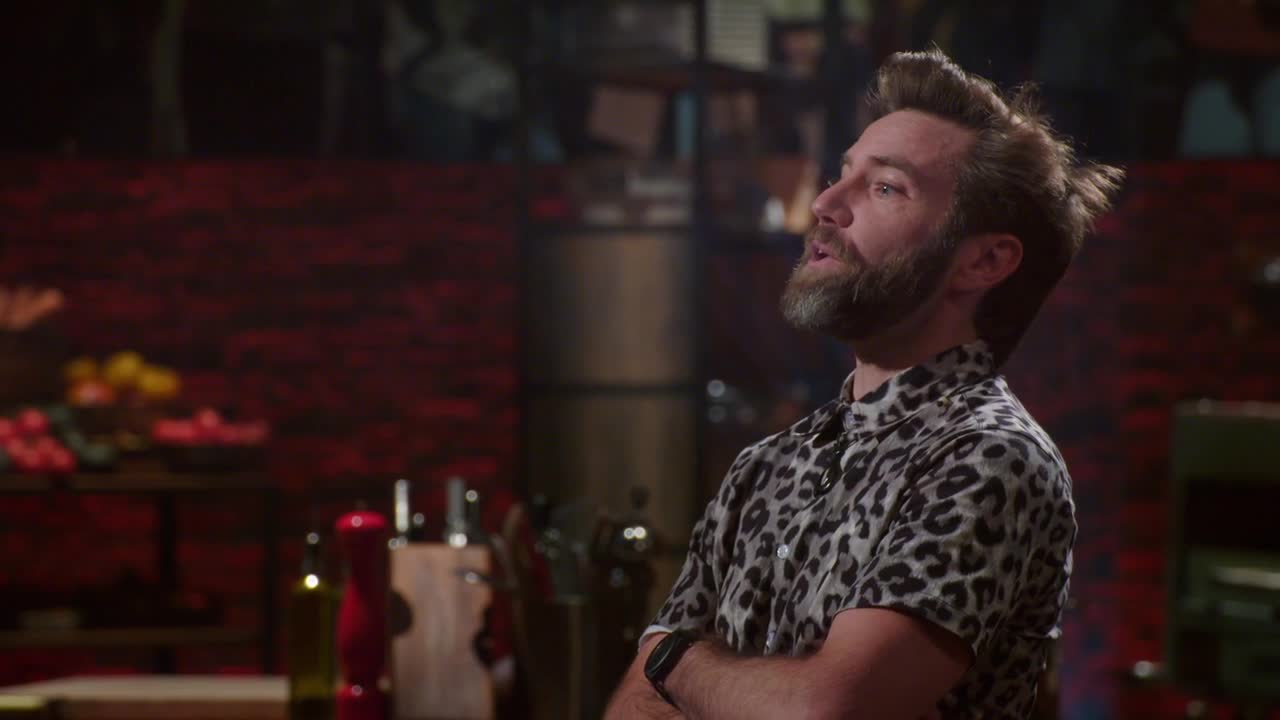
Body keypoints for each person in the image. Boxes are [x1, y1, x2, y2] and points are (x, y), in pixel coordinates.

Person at [604, 48, 1124, 720]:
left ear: (985, 261)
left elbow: (828, 711)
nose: (825, 204)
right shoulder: (765, 466)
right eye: (842, 174)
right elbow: (633, 709)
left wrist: (675, 659)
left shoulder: (987, 458)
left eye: (885, 188)